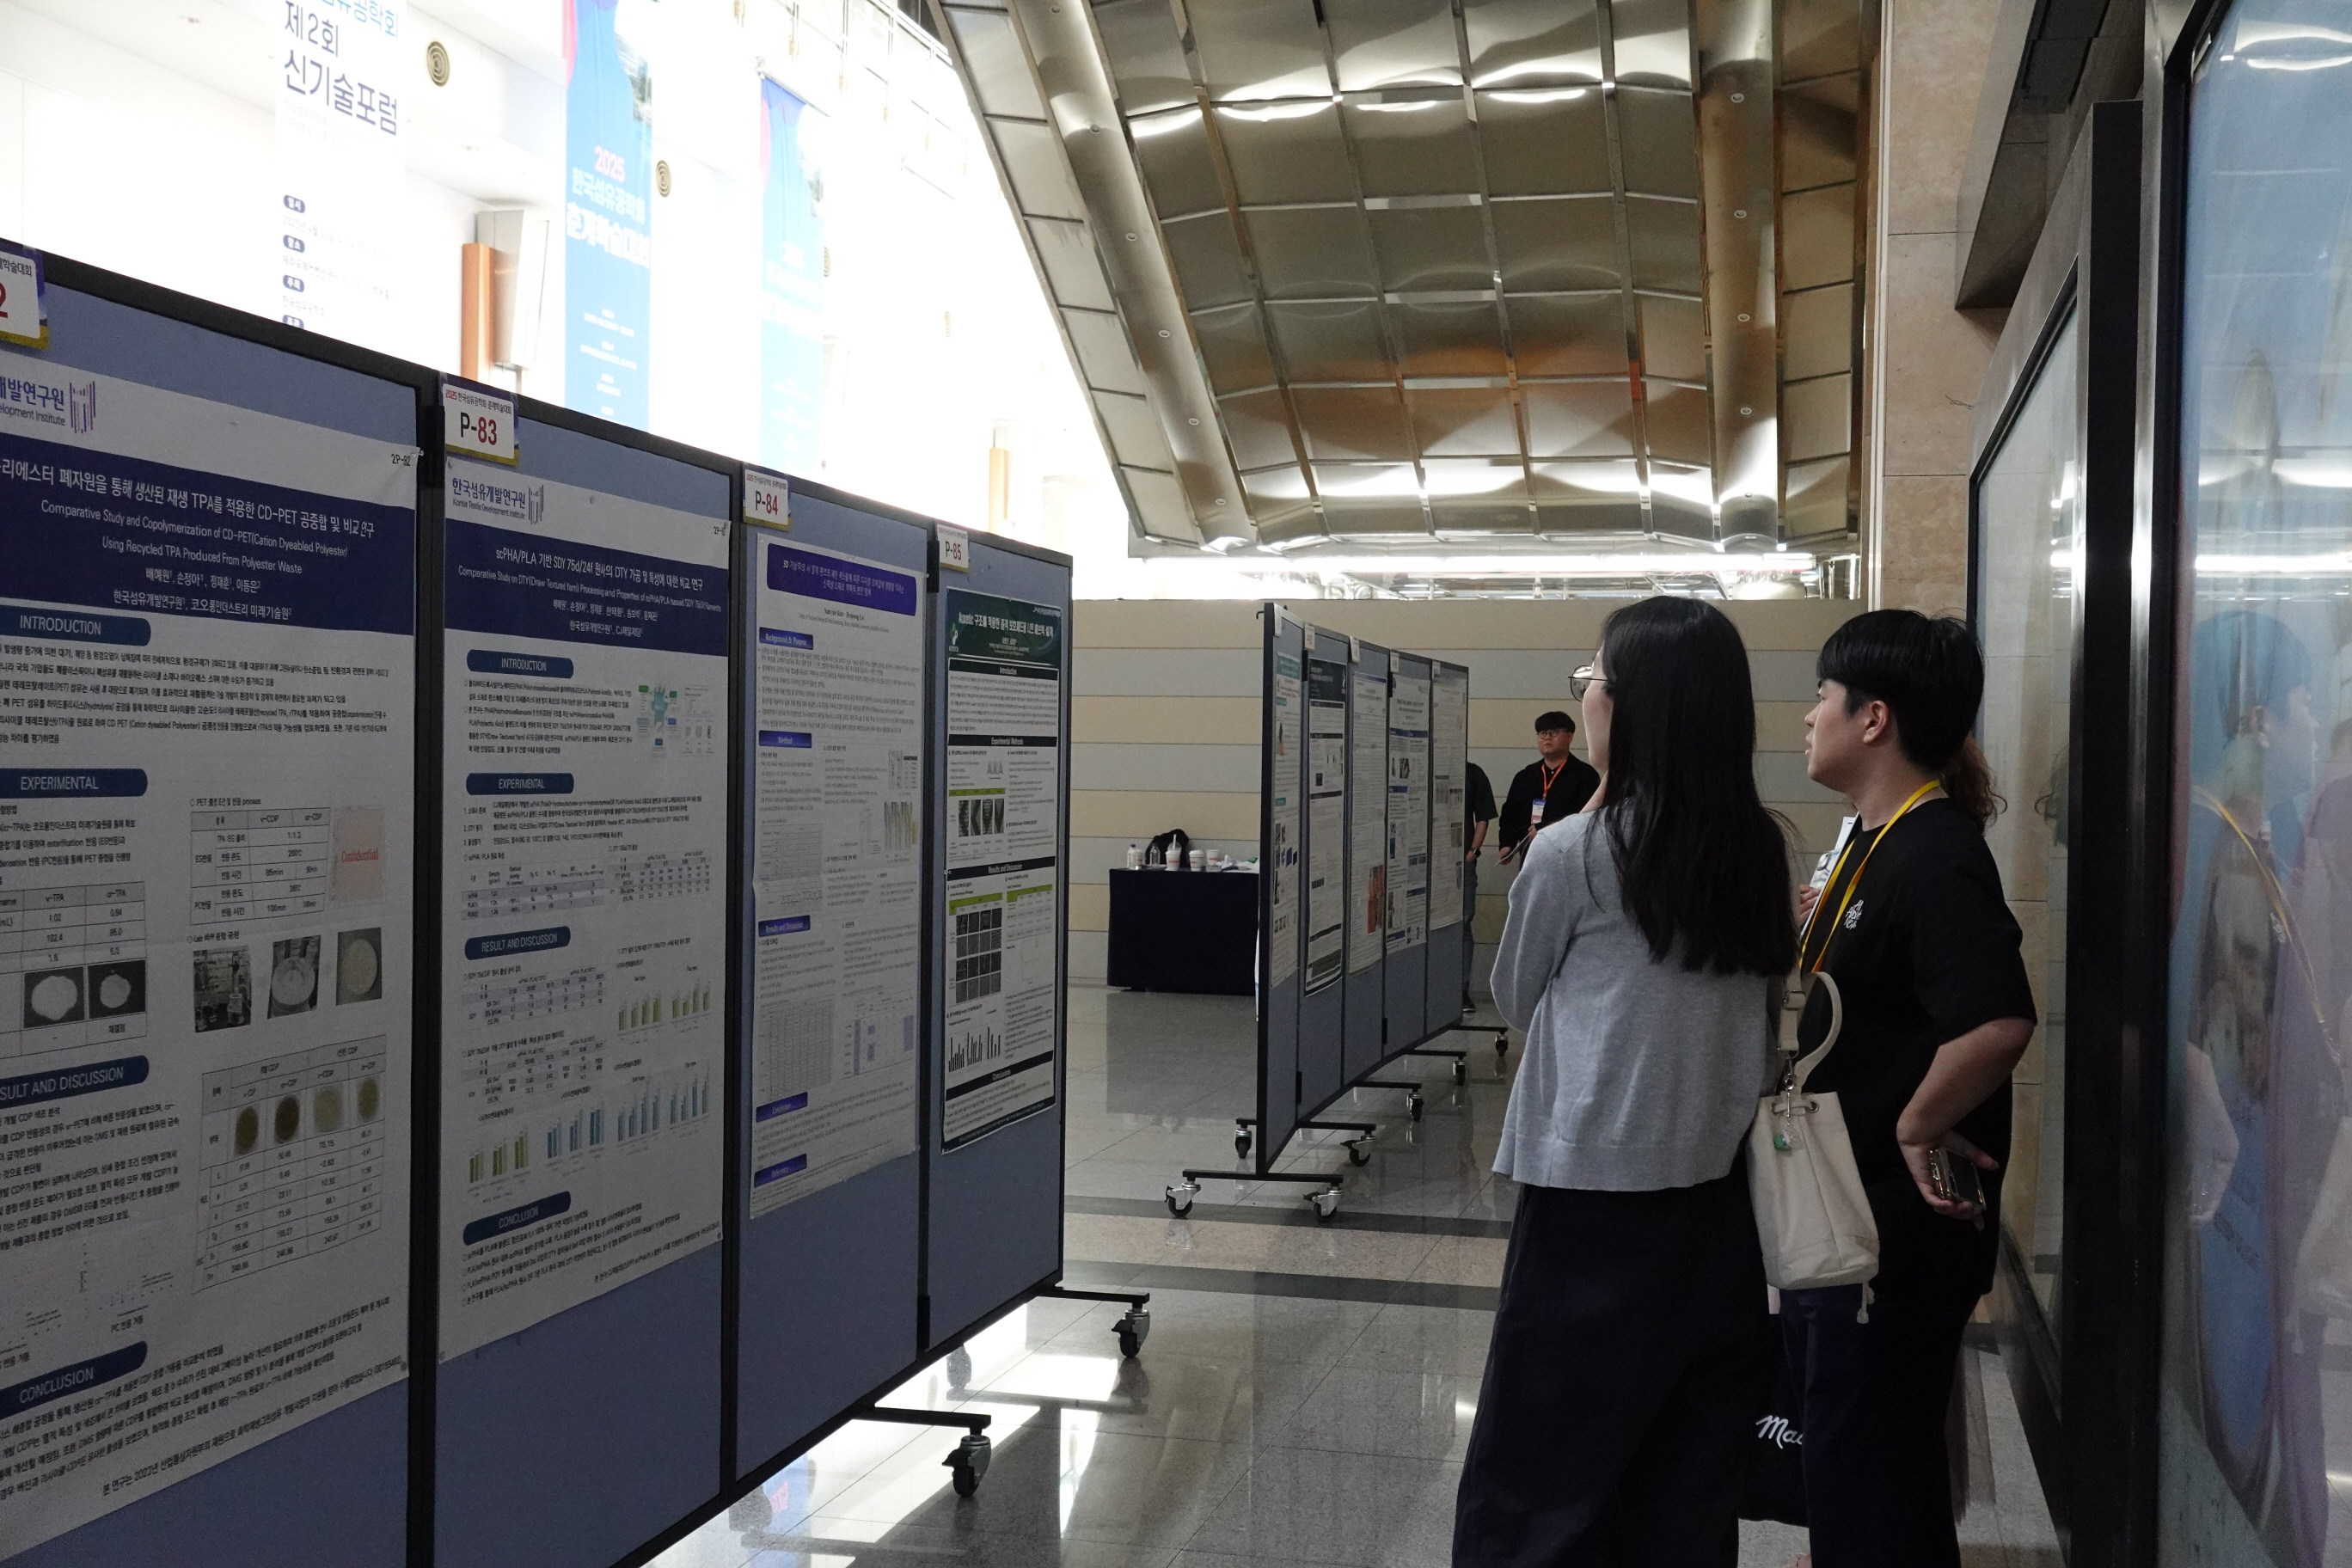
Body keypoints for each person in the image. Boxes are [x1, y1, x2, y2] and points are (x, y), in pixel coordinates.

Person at [1455, 597, 1794, 1567]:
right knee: (1687, 1472)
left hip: (1588, 1201)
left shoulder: (1573, 851)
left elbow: (1514, 994)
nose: (1585, 696)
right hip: (1716, 1203)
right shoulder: (1759, 849)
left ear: (1633, 707)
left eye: (1593, 678)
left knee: (1543, 1472)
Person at [1780, 609, 2037, 1568]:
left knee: (1869, 1475)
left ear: (1874, 717)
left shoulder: (1935, 853)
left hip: (1893, 1232)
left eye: (1822, 697)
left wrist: (1918, 1124)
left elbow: (1997, 1020)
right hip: (1850, 1221)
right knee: (1871, 1471)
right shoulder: (1875, 840)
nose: (1811, 717)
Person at [1498, 710, 1600, 861]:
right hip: (1531, 855)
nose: (1547, 738)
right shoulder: (1526, 775)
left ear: (1570, 736)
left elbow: (1586, 817)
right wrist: (1507, 844)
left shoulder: (1585, 775)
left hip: (1569, 855)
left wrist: (1544, 828)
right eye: (1542, 733)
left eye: (1553, 733)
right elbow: (1510, 814)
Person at [1463, 760, 1497, 1013]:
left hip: (1462, 861)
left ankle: (1460, 990)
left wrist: (1473, 851)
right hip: (1425, 863)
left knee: (1463, 923)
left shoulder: (1473, 773)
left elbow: (1483, 817)